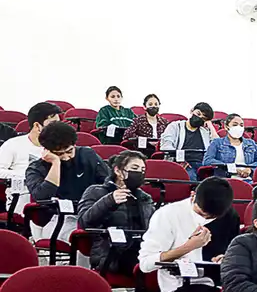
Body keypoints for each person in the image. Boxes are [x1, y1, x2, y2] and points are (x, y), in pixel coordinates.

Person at [25, 121, 110, 255]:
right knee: (77, 243)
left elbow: (108, 183)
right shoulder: (36, 167)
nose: (65, 157)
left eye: (69, 151)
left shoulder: (87, 155)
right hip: (57, 218)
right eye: (59, 154)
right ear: (46, 151)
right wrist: (55, 164)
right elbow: (41, 197)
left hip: (90, 214)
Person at [78, 151, 155, 277]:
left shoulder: (144, 198)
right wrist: (109, 201)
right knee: (149, 267)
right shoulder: (96, 191)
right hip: (111, 252)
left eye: (142, 170)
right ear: (118, 171)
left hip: (141, 249)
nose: (139, 173)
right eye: (134, 168)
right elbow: (84, 222)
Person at [0, 101, 61, 217]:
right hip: (22, 195)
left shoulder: (60, 147)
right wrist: (29, 176)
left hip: (55, 196)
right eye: (53, 124)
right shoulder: (13, 144)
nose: (58, 128)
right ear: (37, 126)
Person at [160, 102, 218, 181]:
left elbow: (217, 144)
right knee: (191, 177)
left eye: (204, 118)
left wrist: (210, 126)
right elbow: (166, 146)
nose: (200, 117)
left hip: (202, 163)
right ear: (192, 111)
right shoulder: (175, 126)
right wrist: (180, 160)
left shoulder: (205, 131)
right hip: (182, 162)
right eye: (198, 113)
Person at [203, 114, 257, 180]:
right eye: (235, 125)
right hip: (225, 181)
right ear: (226, 126)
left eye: (241, 125)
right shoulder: (217, 142)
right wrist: (232, 168)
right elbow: (207, 160)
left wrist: (250, 169)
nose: (238, 127)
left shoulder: (250, 143)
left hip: (248, 180)